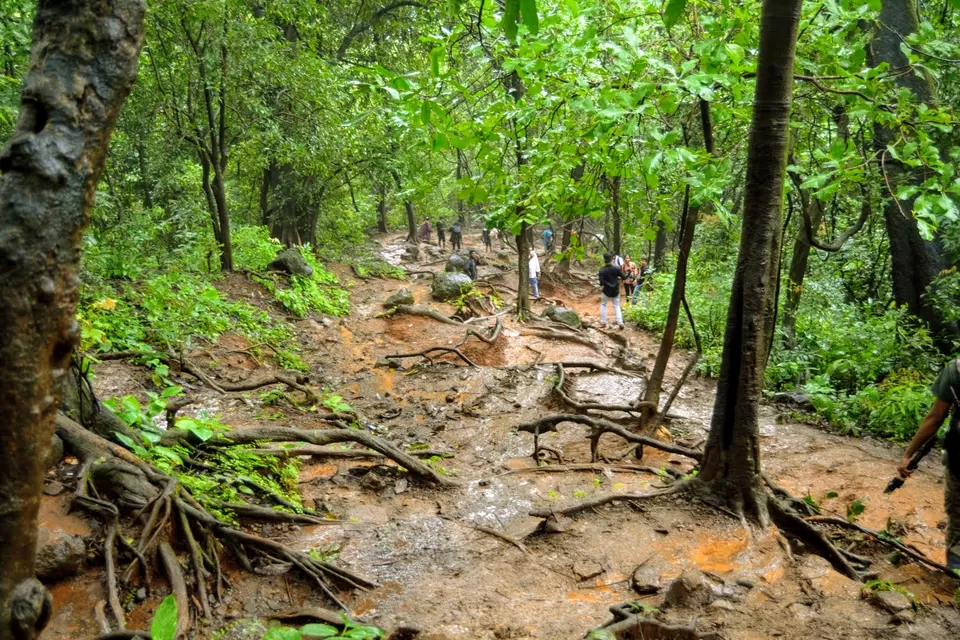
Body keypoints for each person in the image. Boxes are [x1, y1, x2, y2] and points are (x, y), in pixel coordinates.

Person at [896, 359, 960, 573]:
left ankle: (956, 567)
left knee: (958, 513)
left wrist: (908, 455)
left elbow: (935, 418)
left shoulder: (956, 369)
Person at [598, 252, 624, 329]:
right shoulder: (616, 268)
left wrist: (603, 285)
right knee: (616, 306)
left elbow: (601, 282)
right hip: (615, 290)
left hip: (606, 291)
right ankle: (620, 322)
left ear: (604, 260)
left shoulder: (602, 270)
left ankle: (603, 322)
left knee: (603, 305)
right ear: (612, 259)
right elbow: (624, 277)